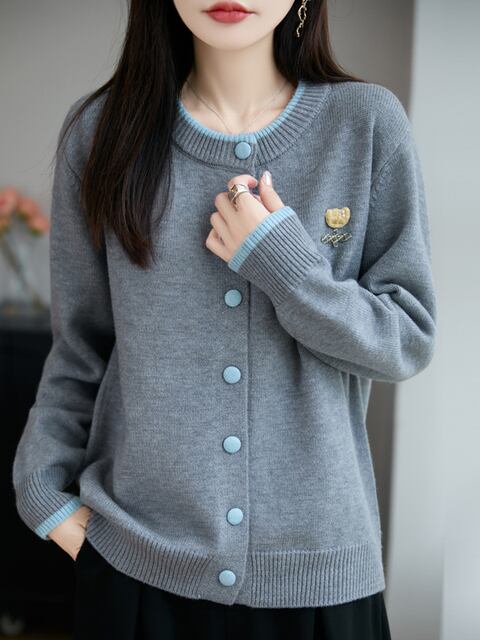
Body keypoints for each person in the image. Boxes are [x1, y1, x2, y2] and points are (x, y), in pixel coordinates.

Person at [11, 0, 436, 638]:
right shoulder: (100, 133)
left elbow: (405, 340)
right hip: (135, 570)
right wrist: (44, 493)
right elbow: (80, 350)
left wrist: (283, 264)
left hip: (320, 583)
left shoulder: (365, 124)